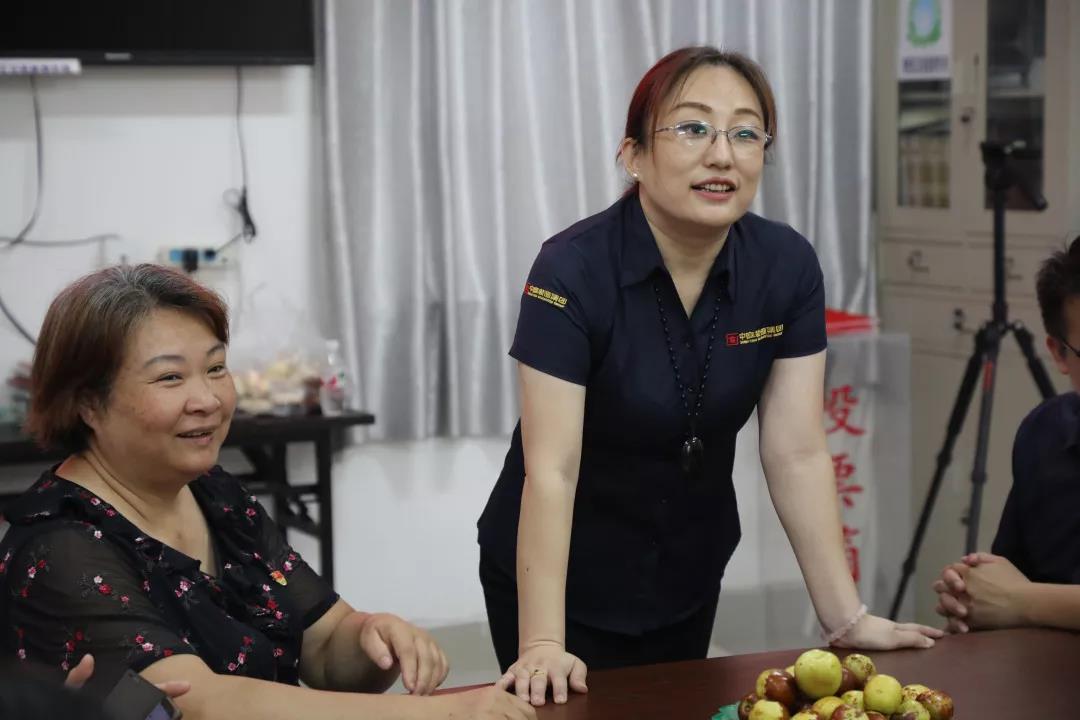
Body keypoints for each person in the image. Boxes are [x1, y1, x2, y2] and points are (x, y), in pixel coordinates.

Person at [477, 45, 942, 708]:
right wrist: (544, 642)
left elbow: (797, 451)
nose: (722, 155)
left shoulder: (785, 266)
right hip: (560, 580)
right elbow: (551, 469)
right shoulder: (571, 269)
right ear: (634, 154)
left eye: (746, 133)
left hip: (687, 567)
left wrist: (845, 618)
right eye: (693, 128)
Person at [0, 264, 535, 720]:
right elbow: (202, 705)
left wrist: (373, 637)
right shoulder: (60, 546)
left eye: (216, 368)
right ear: (88, 404)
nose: (208, 399)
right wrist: (440, 712)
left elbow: (324, 644)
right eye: (170, 379)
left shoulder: (214, 494)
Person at [934, 237, 1080, 633]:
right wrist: (971, 597)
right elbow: (1005, 581)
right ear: (1060, 354)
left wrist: (1019, 601)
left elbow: (1014, 597)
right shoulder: (1044, 433)